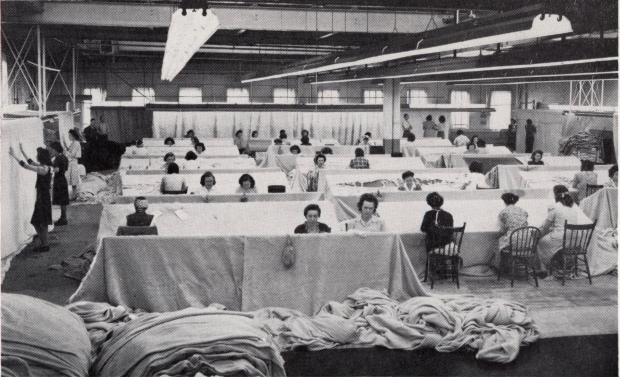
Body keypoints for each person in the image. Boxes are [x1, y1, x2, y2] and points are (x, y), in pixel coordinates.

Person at [8, 145, 53, 252]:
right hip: (43, 196)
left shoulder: (44, 169)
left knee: (40, 221)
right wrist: (22, 150)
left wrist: (14, 155)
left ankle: (44, 244)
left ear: (41, 157)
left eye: (38, 155)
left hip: (43, 197)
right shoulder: (46, 167)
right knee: (39, 221)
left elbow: (27, 166)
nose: (36, 156)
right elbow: (31, 162)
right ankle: (44, 244)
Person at [537, 185, 582, 272]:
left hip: (561, 238)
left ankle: (543, 270)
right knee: (554, 239)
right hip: (575, 239)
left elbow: (546, 227)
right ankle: (559, 265)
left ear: (555, 195)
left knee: (540, 242)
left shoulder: (554, 207)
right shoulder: (573, 207)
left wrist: (538, 234)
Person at [495, 192, 529, 269]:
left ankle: (499, 268)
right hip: (527, 241)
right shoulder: (523, 211)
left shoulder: (503, 212)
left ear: (504, 201)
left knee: (497, 243)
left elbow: (502, 230)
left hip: (514, 242)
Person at [49, 142, 70, 226]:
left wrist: (51, 167)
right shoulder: (64, 157)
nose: (51, 151)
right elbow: (66, 168)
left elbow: (56, 170)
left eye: (52, 150)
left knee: (61, 199)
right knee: (63, 200)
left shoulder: (57, 158)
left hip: (58, 179)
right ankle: (63, 217)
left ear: (55, 149)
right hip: (63, 178)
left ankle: (63, 218)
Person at [63, 129, 82, 199]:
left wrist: (66, 152)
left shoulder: (76, 143)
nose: (69, 137)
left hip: (73, 163)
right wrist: (65, 146)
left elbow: (72, 154)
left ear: (73, 136)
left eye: (70, 135)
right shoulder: (73, 143)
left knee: (73, 180)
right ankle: (73, 195)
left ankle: (74, 195)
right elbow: (70, 151)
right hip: (70, 162)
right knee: (71, 179)